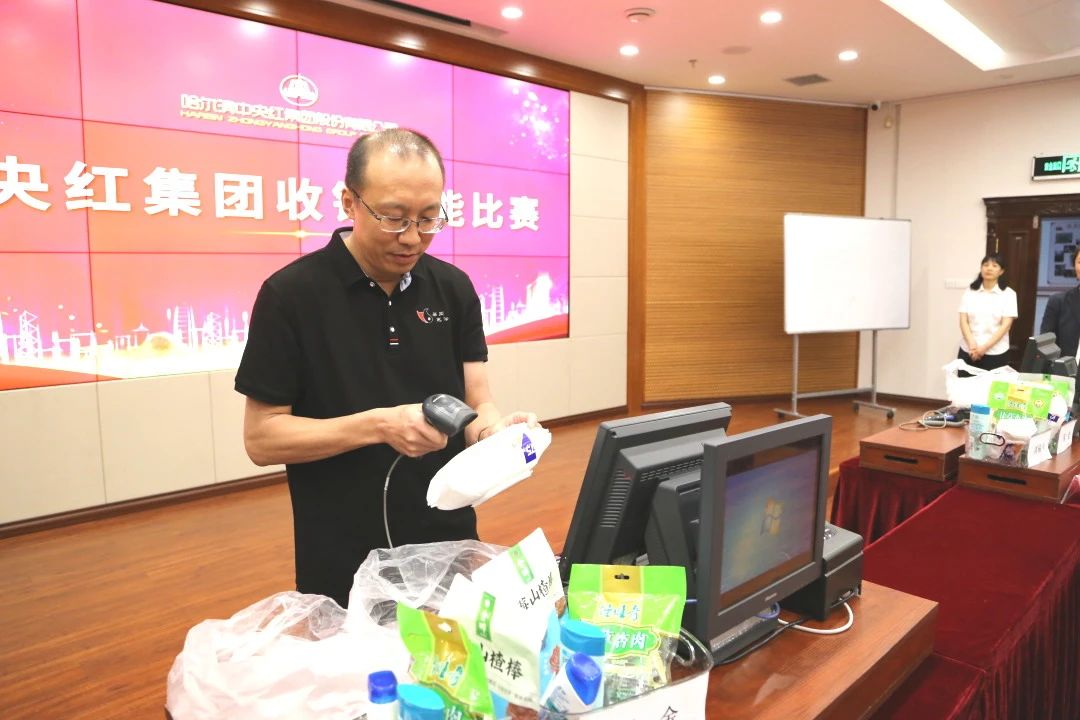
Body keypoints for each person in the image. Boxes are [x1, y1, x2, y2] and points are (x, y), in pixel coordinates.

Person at [235, 128, 536, 607]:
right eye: (394, 219)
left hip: (448, 538)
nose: (413, 238)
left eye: (429, 217)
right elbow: (262, 438)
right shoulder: (291, 296)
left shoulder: (453, 288)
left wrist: (495, 434)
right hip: (341, 549)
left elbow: (477, 402)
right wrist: (379, 425)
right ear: (349, 203)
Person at [957, 253, 1017, 371]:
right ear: (981, 268)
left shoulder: (1008, 294)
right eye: (986, 265)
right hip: (968, 350)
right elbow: (963, 321)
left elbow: (1005, 326)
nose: (989, 268)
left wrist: (983, 348)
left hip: (995, 353)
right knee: (964, 382)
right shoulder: (970, 291)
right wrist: (972, 345)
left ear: (1001, 271)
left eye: (994, 266)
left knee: (994, 384)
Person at [1039, 251, 1080, 359]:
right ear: (1074, 266)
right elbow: (1046, 344)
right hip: (1066, 368)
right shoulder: (1057, 302)